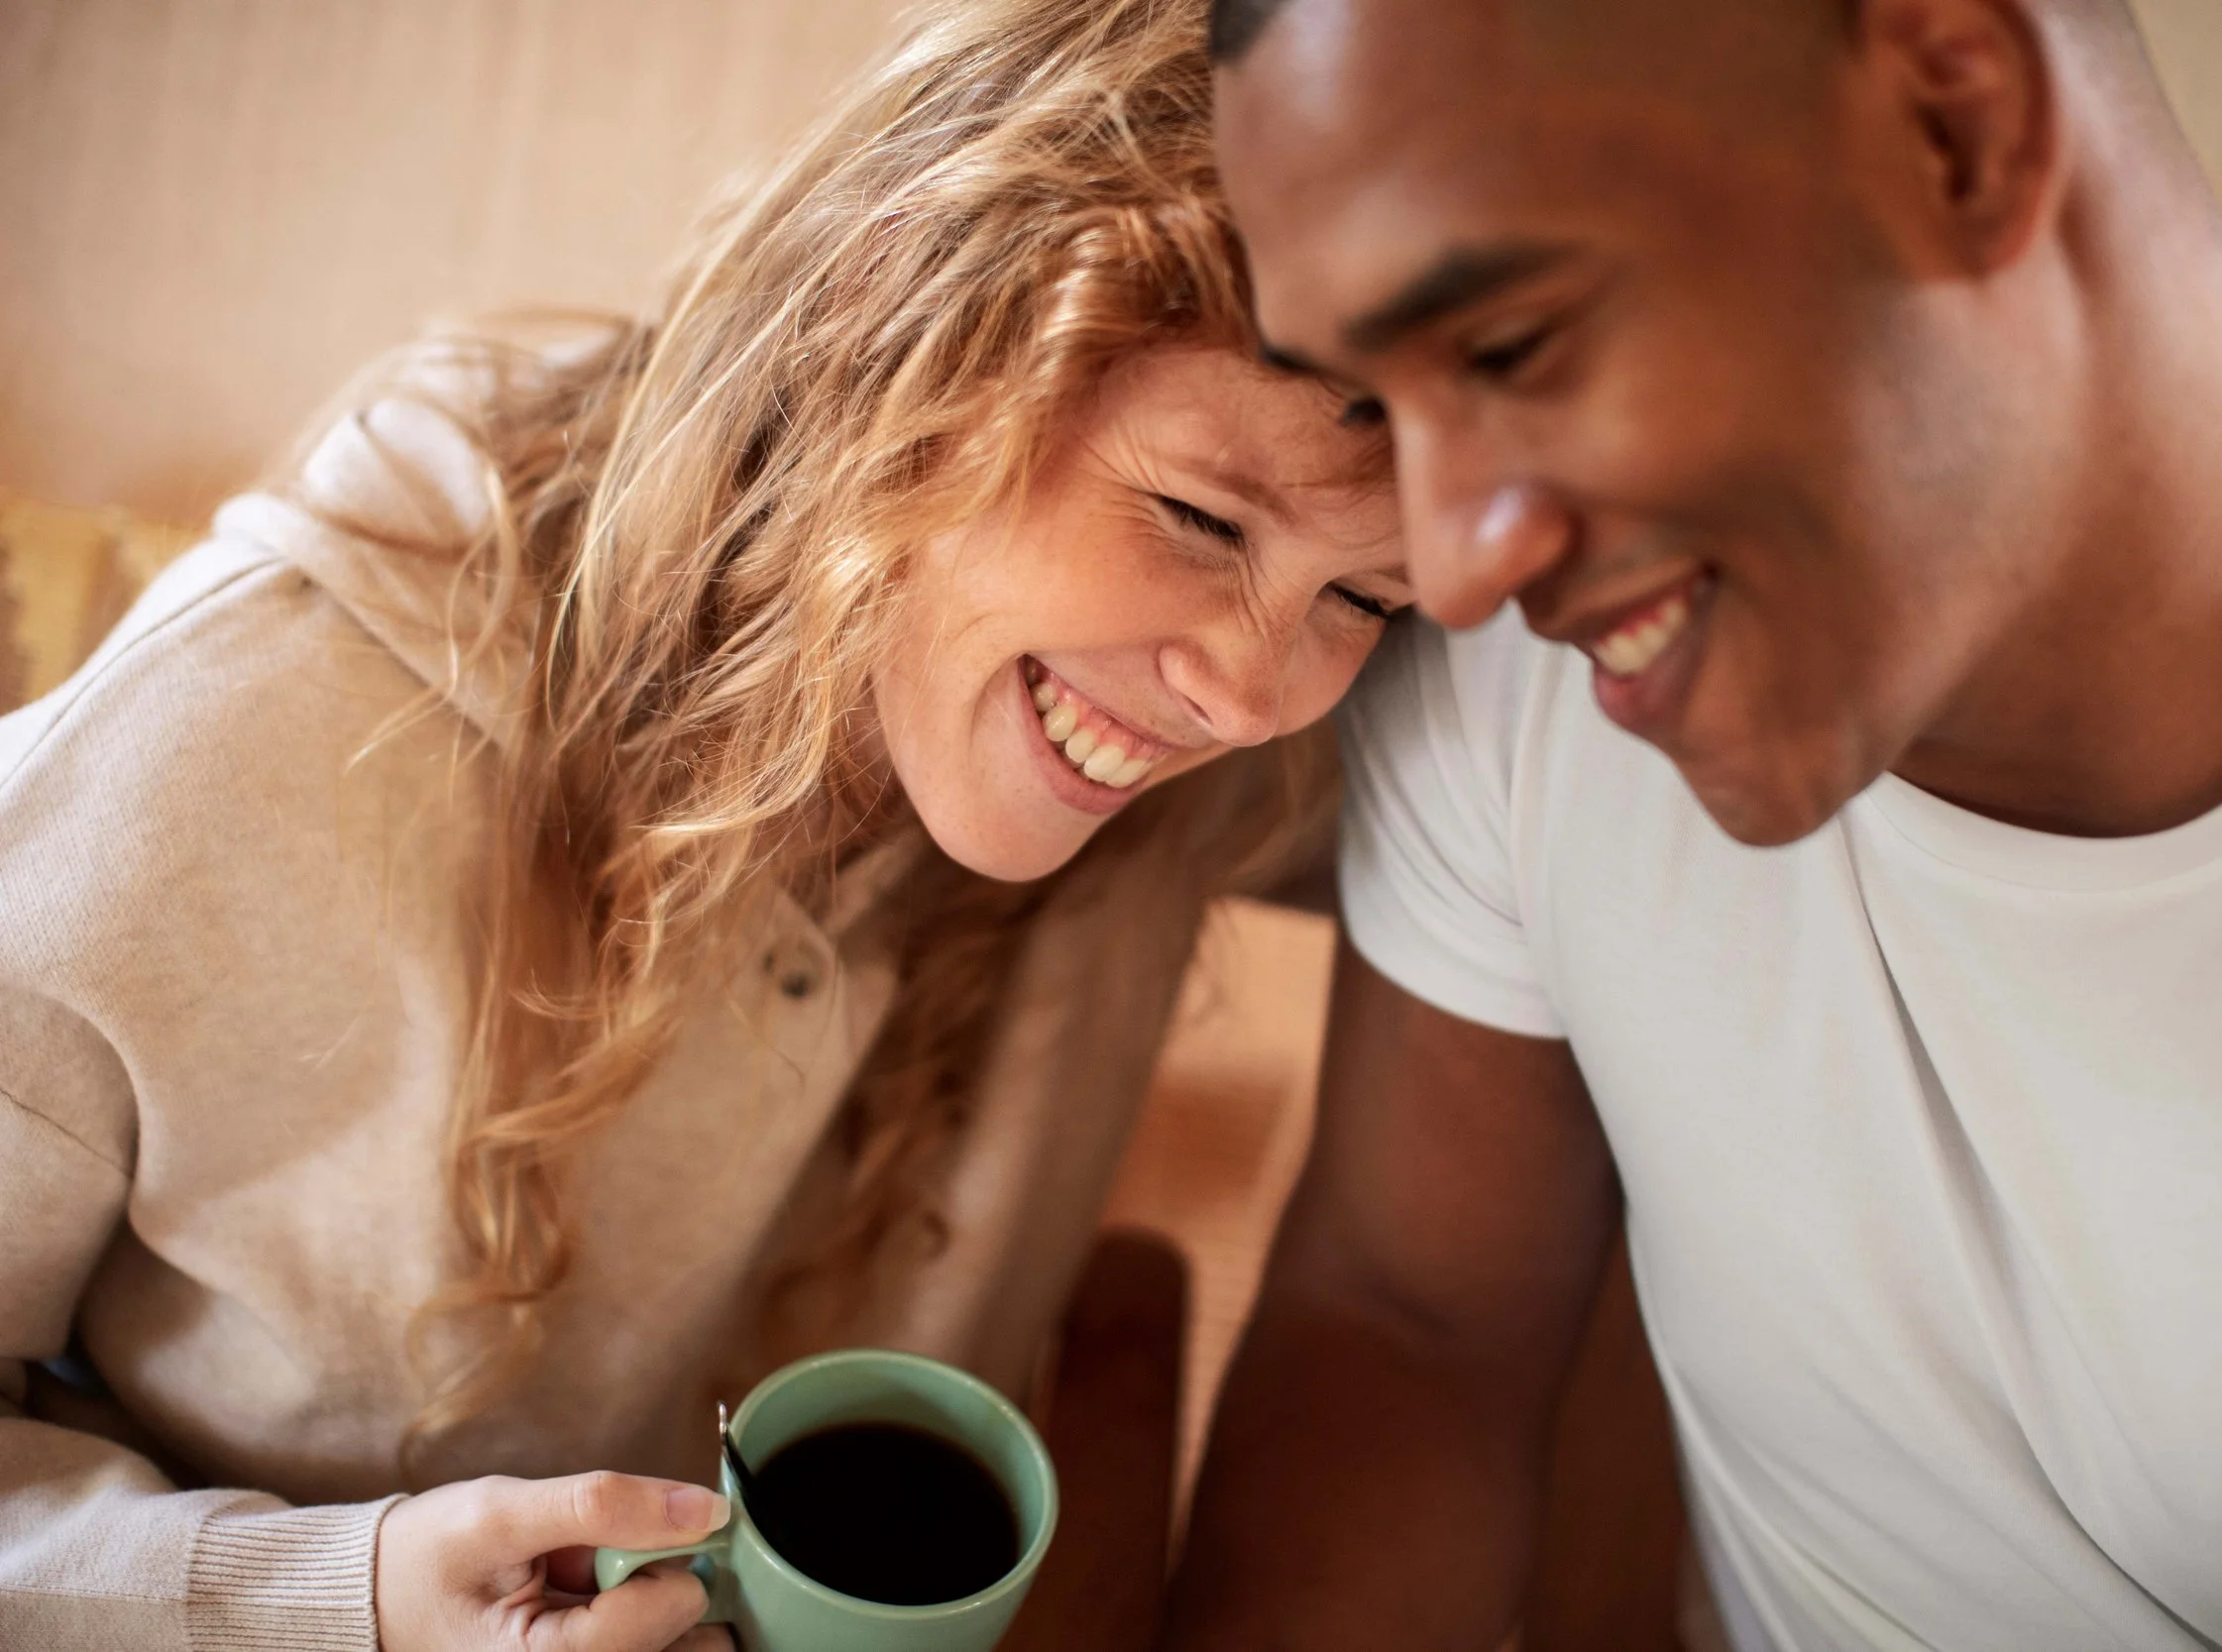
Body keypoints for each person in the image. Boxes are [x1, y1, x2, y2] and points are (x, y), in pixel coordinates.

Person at [0, 0, 1405, 1647]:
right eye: (1196, 517)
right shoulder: (233, 748)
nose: (1252, 694)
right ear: (903, 323)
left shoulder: (1197, 729)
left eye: (1369, 596)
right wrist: (341, 1603)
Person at [1164, 0, 2222, 1647]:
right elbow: (1412, 1328)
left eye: (1509, 347)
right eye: (1391, 402)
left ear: (1957, 124)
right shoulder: (1550, 641)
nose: (1454, 561)